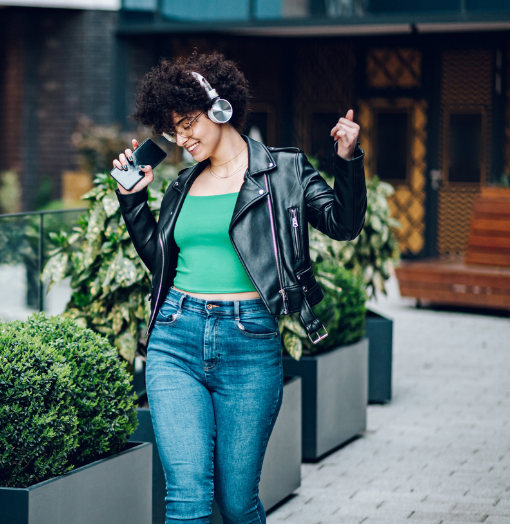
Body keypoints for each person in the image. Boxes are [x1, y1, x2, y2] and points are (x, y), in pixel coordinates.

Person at [111, 52, 366, 524]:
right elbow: (160, 263)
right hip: (174, 338)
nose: (182, 140)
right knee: (186, 497)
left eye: (188, 124)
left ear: (221, 110)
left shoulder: (285, 171)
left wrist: (347, 159)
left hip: (249, 342)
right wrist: (132, 202)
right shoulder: (182, 186)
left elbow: (343, 223)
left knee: (236, 502)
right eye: (173, 131)